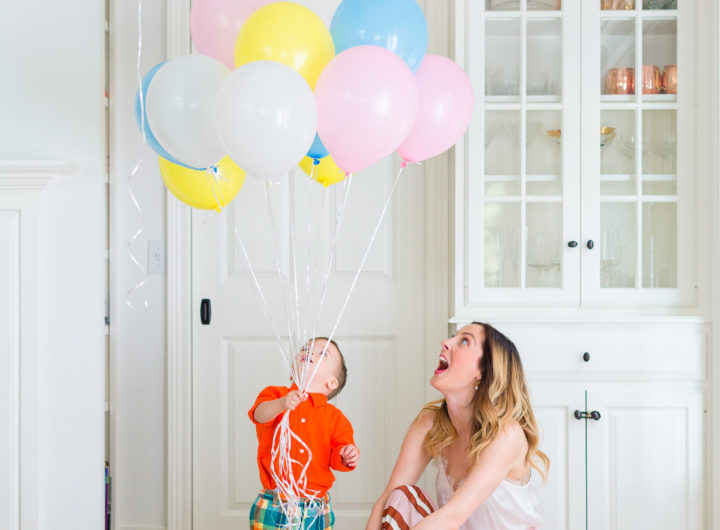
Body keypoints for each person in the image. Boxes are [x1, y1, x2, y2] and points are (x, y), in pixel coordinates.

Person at [366, 322, 548, 530]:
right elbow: (387, 499)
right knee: (401, 496)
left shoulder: (506, 435)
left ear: (483, 371)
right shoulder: (429, 424)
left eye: (464, 341)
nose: (446, 342)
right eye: (454, 336)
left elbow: (453, 516)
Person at [249, 337, 360, 529]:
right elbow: (259, 415)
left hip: (316, 507)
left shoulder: (336, 418)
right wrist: (282, 403)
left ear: (331, 382)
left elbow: (337, 457)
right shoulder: (275, 394)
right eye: (305, 348)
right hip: (275, 501)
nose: (309, 352)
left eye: (322, 353)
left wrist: (347, 454)